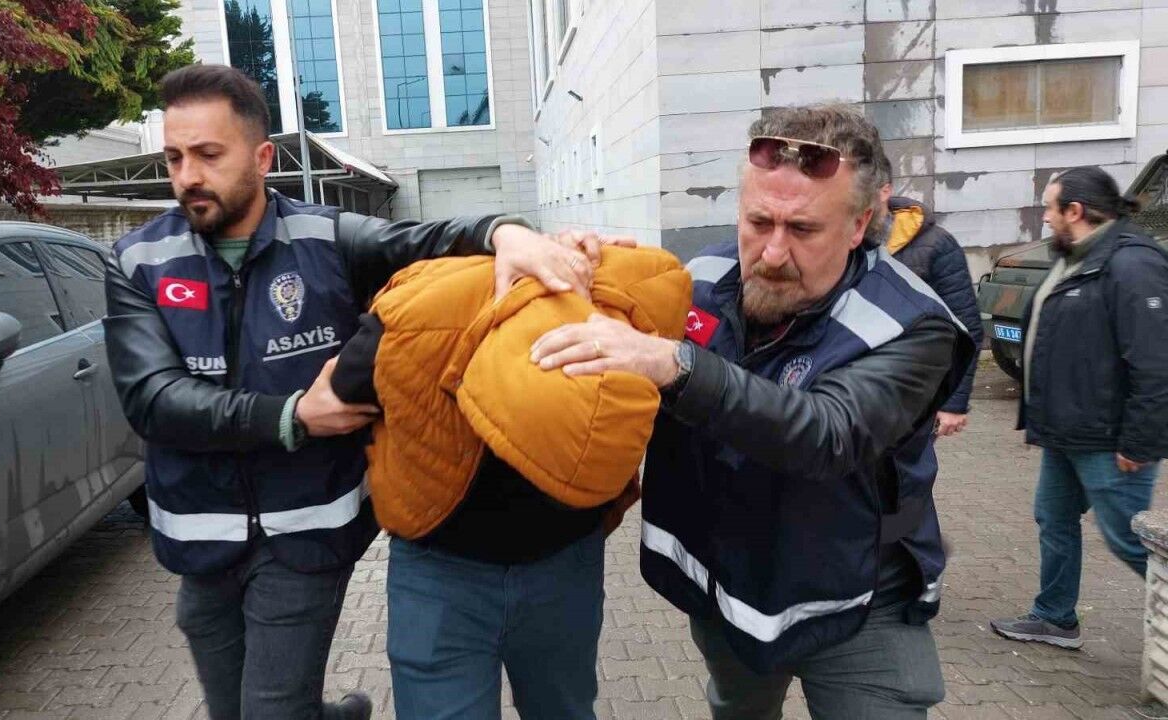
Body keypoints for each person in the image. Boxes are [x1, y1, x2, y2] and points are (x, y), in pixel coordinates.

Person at [103, 64, 591, 720]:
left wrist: (507, 231)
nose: (187, 175)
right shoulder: (138, 260)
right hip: (198, 540)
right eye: (174, 157)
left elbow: (427, 240)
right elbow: (153, 399)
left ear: (261, 158)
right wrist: (292, 415)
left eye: (208, 155)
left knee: (270, 712)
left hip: (306, 533)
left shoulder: (326, 240)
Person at [532, 104, 976, 719]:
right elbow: (608, 367)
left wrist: (674, 363)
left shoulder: (911, 323)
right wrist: (583, 272)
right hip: (731, 592)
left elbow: (828, 433)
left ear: (859, 225)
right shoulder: (701, 277)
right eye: (758, 221)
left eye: (803, 230)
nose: (771, 252)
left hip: (857, 602)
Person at [328, 244, 688, 720]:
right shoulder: (613, 296)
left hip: (475, 568)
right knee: (564, 707)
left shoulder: (418, 306)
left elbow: (344, 389)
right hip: (516, 563)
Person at [991, 166, 1168, 649]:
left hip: (1109, 437)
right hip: (1066, 430)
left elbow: (1155, 363)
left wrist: (1140, 441)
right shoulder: (1075, 258)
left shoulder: (1132, 264)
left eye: (1050, 208)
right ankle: (1055, 617)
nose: (1045, 218)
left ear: (1075, 210)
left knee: (1131, 539)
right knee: (1053, 518)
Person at [876, 158, 983, 437]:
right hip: (857, 395)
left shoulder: (937, 245)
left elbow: (967, 327)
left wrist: (954, 402)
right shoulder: (841, 240)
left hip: (916, 399)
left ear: (884, 190)